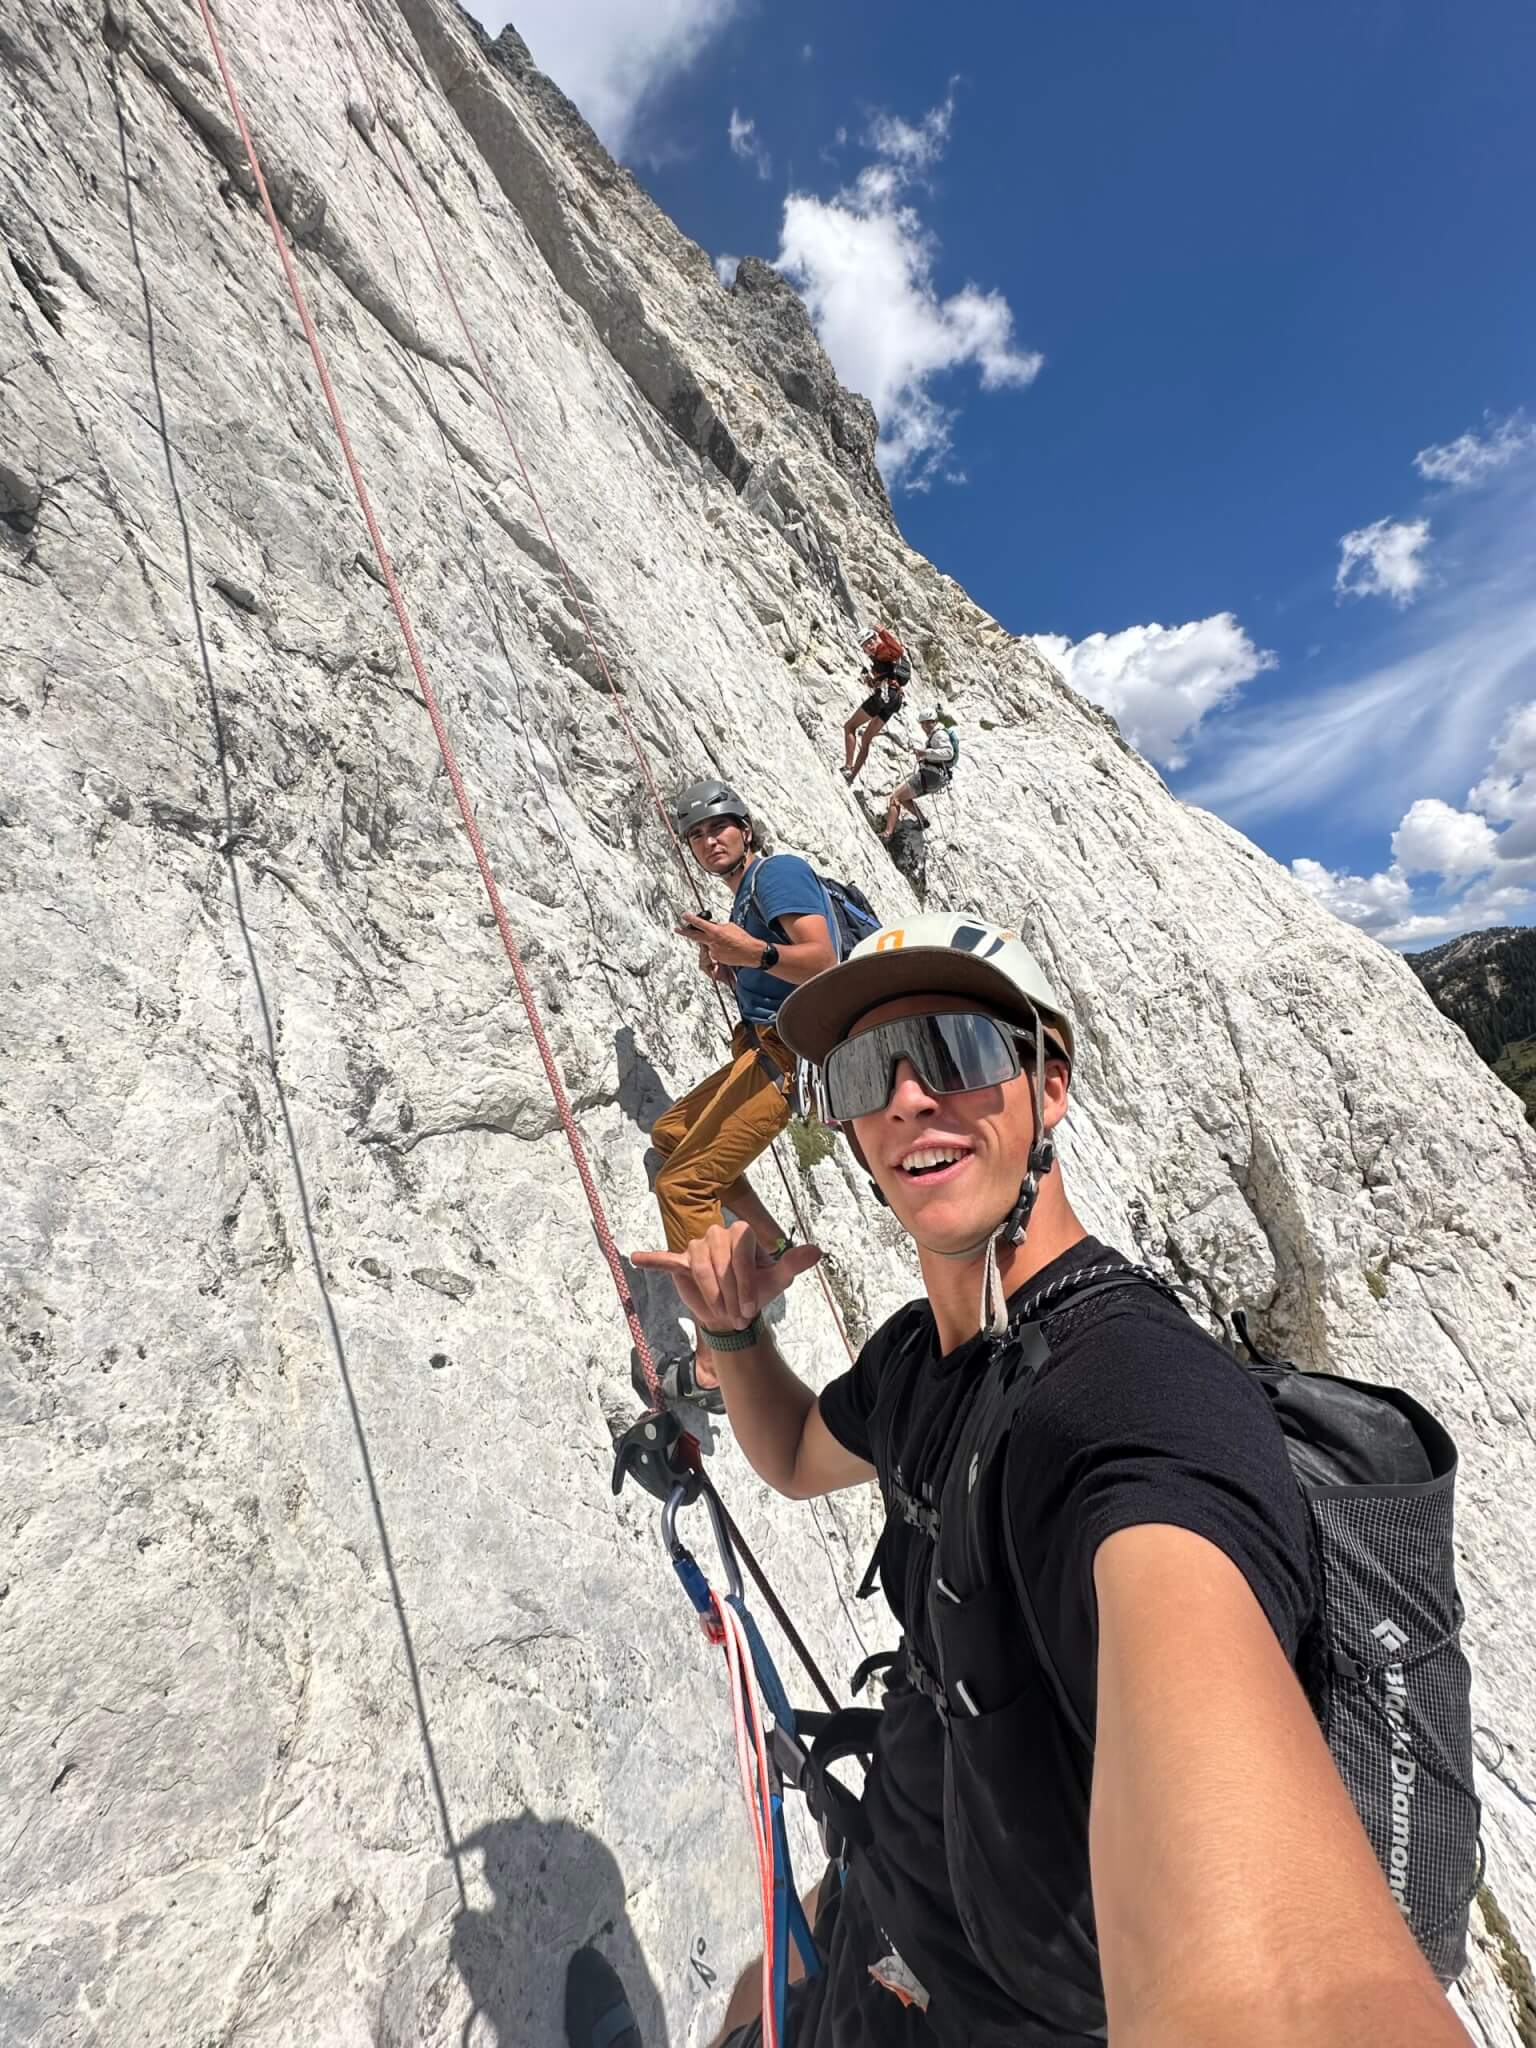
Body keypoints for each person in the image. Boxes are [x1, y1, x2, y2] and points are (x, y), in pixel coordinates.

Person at [630, 914, 1468, 2048]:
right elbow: (788, 1458)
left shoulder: (1134, 1395)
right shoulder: (915, 1359)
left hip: (998, 2008)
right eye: (868, 1070)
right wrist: (736, 1334)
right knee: (750, 1996)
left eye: (958, 1052)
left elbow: (1282, 1982)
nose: (909, 1100)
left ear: (1050, 1085)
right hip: (901, 1868)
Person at [644, 780, 837, 1409]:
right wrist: (737, 962)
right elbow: (776, 965)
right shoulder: (746, 898)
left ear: (745, 829)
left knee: (683, 1184)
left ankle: (717, 1356)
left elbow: (824, 963)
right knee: (672, 1135)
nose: (708, 841)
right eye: (696, 835)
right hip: (760, 1047)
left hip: (790, 1056)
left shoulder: (777, 874)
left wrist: (749, 951)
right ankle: (770, 1242)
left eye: (719, 827)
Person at [842, 625, 911, 786]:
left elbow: (898, 650)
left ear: (875, 639)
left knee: (850, 727)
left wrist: (882, 631)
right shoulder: (879, 659)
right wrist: (871, 681)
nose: (868, 646)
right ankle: (851, 777)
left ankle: (848, 767)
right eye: (865, 645)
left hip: (885, 696)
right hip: (893, 699)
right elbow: (883, 678)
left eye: (869, 642)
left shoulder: (882, 651)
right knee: (866, 739)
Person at [881, 710, 956, 841]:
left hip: (930, 775)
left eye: (924, 724)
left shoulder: (939, 735)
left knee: (895, 798)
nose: (923, 727)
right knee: (904, 798)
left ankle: (887, 834)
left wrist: (925, 753)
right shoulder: (936, 735)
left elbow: (949, 753)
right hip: (935, 779)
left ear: (929, 723)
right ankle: (922, 820)